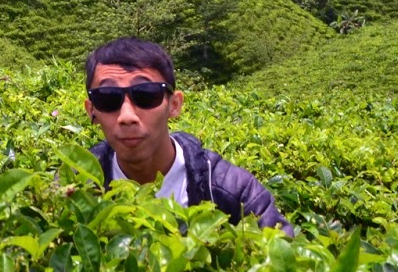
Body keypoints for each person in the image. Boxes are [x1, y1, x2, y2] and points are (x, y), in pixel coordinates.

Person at [84, 38, 291, 233]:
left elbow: (285, 256)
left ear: (174, 105)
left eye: (146, 95)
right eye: (108, 98)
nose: (127, 116)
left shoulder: (233, 190)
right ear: (91, 110)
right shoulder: (79, 185)